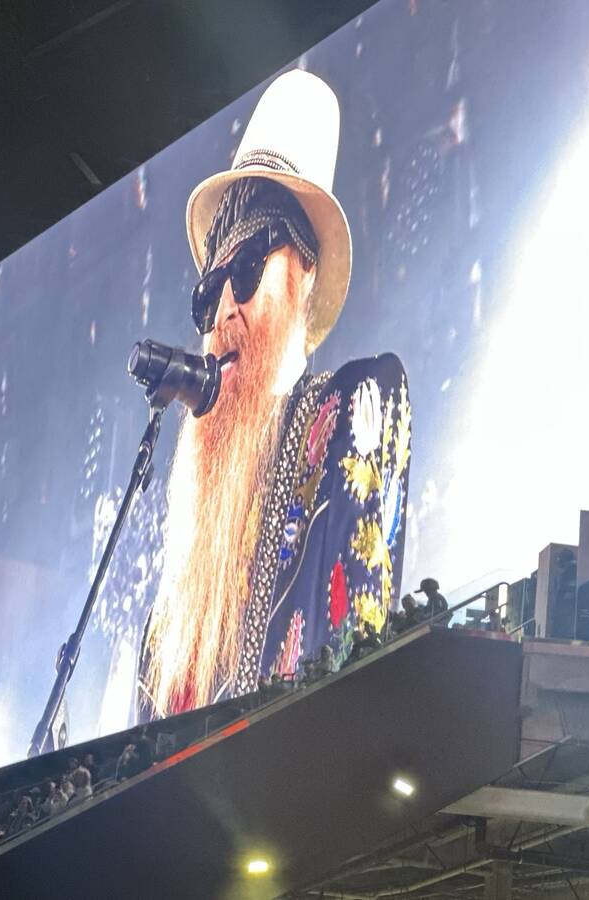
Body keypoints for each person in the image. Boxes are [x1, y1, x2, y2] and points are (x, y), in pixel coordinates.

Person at [139, 69, 412, 720]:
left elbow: (352, 678)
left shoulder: (355, 405)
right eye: (209, 294)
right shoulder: (175, 596)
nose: (225, 311)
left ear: (302, 274)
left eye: (246, 270)